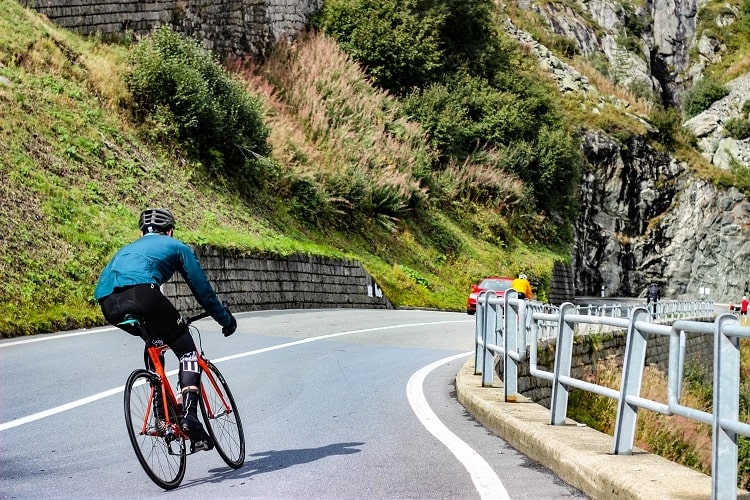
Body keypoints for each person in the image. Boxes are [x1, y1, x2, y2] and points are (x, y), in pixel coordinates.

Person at [95, 208, 237, 452]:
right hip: (143, 294)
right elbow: (202, 290)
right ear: (169, 230)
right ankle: (190, 417)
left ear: (142, 232)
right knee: (187, 350)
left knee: (154, 345)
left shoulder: (126, 249)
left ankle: (162, 419)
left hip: (107, 303)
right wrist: (225, 319)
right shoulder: (176, 246)